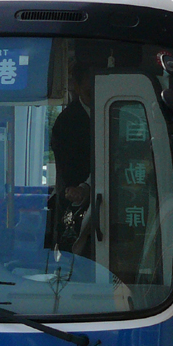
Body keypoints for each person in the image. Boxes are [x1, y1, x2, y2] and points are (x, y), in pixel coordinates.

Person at [45, 57, 95, 254]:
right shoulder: (67, 123)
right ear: (77, 86)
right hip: (79, 206)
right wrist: (81, 190)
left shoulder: (121, 111)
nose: (94, 89)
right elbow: (68, 170)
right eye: (89, 84)